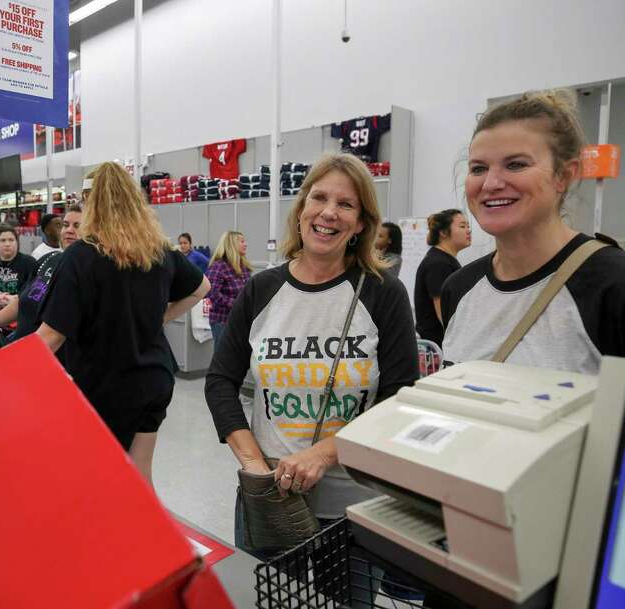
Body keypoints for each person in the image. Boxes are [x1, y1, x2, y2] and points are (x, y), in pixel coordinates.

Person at [204, 153, 418, 556]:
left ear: (360, 223)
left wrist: (323, 455)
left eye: (346, 204)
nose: (329, 213)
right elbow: (219, 381)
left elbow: (400, 396)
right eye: (319, 198)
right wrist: (252, 462)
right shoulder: (262, 289)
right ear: (301, 209)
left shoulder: (383, 292)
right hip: (270, 500)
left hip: (354, 506)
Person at [36, 162, 210, 483]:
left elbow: (50, 337)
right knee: (139, 475)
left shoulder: (81, 256)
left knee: (97, 480)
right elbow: (202, 287)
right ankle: (145, 531)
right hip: (153, 379)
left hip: (103, 385)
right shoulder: (157, 249)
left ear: (91, 202)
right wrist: (159, 319)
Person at [442, 90, 625, 372]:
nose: (490, 183)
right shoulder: (459, 287)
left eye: (516, 164)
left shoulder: (612, 284)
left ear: (564, 175)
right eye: (478, 168)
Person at [0, 203, 83, 341]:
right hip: (21, 344)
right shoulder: (49, 259)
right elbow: (22, 302)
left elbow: (55, 332)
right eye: (65, 225)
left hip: (44, 355)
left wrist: (20, 356)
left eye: (77, 226)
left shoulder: (83, 271)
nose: (69, 230)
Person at [414, 209, 470, 345]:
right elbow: (442, 312)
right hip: (440, 345)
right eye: (462, 226)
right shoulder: (438, 263)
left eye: (468, 226)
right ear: (443, 233)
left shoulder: (445, 259)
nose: (468, 231)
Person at [205, 231, 252, 347]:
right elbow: (212, 294)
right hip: (222, 321)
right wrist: (237, 304)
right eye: (242, 241)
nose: (245, 244)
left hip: (240, 320)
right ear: (231, 244)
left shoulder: (244, 267)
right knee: (223, 358)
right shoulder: (218, 266)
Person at [0, 223, 37, 306]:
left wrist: (16, 299)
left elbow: (35, 292)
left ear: (17, 242)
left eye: (11, 240)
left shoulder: (29, 263)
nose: (7, 244)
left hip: (17, 311)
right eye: (3, 240)